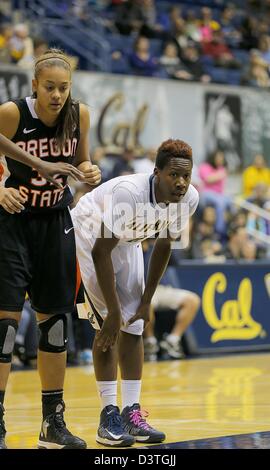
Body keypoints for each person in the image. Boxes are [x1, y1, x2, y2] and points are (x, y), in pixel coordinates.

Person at [0, 48, 101, 450]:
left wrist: (90, 173)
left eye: (63, 88)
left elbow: (83, 165)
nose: (57, 95)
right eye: (49, 88)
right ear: (34, 87)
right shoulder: (12, 113)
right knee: (5, 328)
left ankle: (52, 424)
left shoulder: (80, 116)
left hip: (56, 223)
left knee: (56, 325)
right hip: (13, 224)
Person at [72, 138, 199, 447]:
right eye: (174, 175)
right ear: (157, 173)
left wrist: (145, 302)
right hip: (89, 236)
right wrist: (114, 312)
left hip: (127, 241)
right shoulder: (129, 193)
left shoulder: (189, 198)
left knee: (136, 324)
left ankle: (131, 413)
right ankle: (108, 416)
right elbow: (101, 251)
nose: (181, 182)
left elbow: (164, 245)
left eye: (186, 175)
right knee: (107, 324)